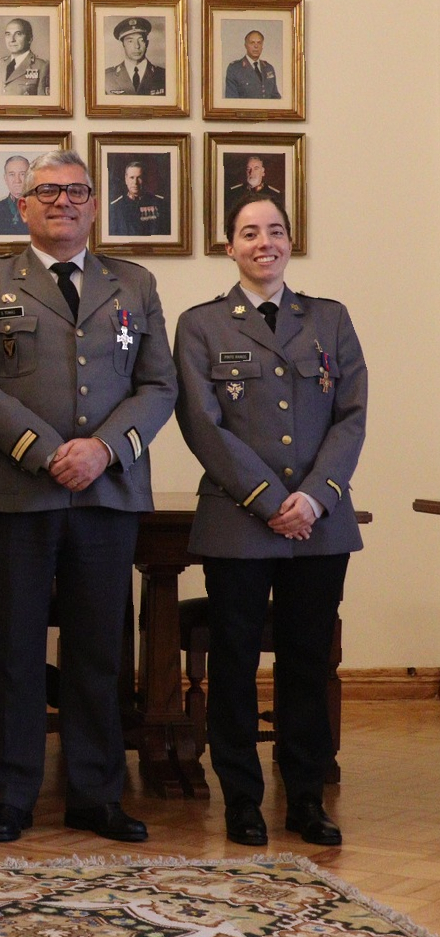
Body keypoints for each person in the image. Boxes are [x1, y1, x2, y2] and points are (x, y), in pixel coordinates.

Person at [0, 149, 176, 845]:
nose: (64, 202)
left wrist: (103, 449)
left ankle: (96, 795)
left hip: (107, 493)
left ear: (94, 205)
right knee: (13, 649)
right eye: (48, 191)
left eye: (77, 191)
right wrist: (48, 452)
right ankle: (10, 796)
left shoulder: (134, 283)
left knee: (98, 651)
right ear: (23, 206)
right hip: (19, 492)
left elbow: (158, 385)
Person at [173, 196, 364, 850]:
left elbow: (352, 415)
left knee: (307, 663)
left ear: (290, 241)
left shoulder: (330, 319)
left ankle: (306, 798)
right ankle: (242, 801)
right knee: (234, 663)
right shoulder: (201, 325)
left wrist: (314, 497)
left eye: (275, 231)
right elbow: (203, 424)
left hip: (320, 523)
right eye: (249, 233)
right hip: (238, 521)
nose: (265, 243)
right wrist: (267, 498)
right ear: (229, 246)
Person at [104, 17, 167, 96]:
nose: (137, 46)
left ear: (147, 43)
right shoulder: (107, 78)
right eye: (130, 41)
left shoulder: (163, 75)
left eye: (141, 40)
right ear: (123, 45)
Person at [107, 160, 171, 237]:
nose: (135, 182)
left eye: (139, 178)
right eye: (132, 177)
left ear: (144, 179)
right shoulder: (115, 207)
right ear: (126, 180)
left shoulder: (160, 203)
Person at [0, 18, 50, 96]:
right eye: (8, 34)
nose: (12, 40)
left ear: (30, 39)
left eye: (18, 34)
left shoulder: (42, 66)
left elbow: (43, 102)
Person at [225, 156, 284, 225]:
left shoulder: (275, 195)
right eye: (248, 169)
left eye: (256, 168)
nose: (251, 172)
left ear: (263, 172)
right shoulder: (233, 193)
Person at [224, 30, 281, 99]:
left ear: (262, 46)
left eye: (259, 43)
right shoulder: (235, 69)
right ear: (246, 46)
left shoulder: (269, 68)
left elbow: (275, 97)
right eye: (252, 43)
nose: (256, 46)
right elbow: (231, 100)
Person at [0, 155, 30, 236]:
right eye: (12, 174)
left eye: (22, 174)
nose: (17, 180)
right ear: (5, 179)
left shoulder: (41, 210)